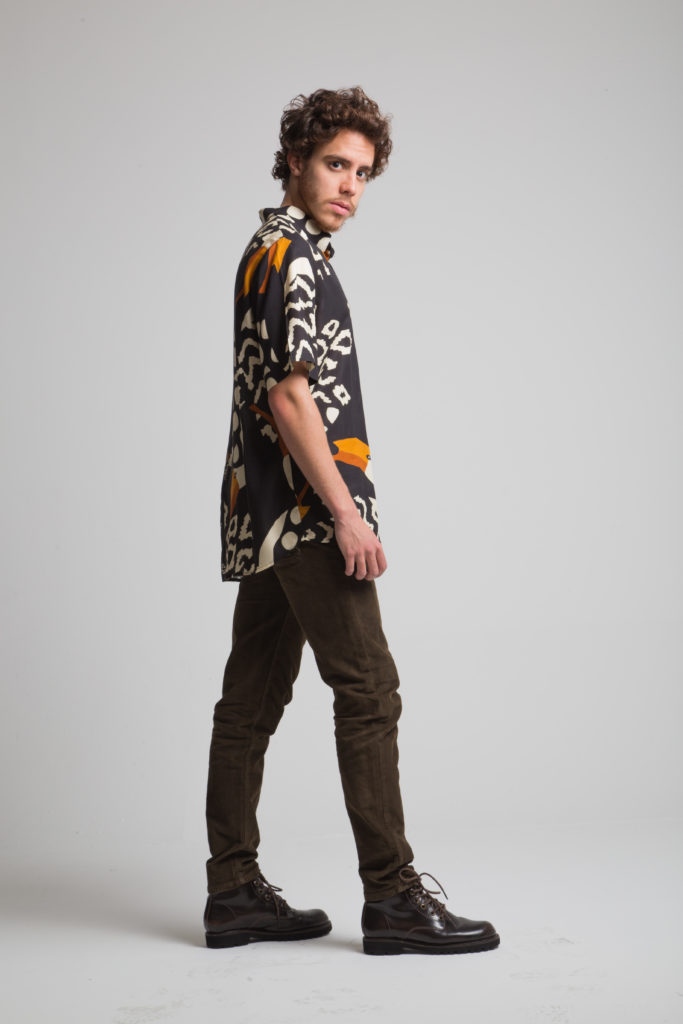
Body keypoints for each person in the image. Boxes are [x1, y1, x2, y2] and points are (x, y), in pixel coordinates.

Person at [204, 86, 500, 956]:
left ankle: (233, 893)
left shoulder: (279, 250)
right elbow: (289, 397)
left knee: (249, 703)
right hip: (303, 513)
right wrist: (344, 513)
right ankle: (393, 897)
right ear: (295, 161)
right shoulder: (288, 255)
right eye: (336, 164)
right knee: (368, 691)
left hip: (265, 513)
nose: (349, 186)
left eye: (363, 173)